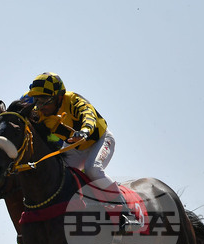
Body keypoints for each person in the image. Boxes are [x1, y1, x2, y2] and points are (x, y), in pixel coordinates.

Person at [23, 72, 139, 231]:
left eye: (44, 101)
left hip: (100, 140)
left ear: (59, 96)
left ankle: (126, 212)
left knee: (93, 169)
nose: (40, 106)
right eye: (37, 100)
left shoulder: (73, 100)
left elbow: (88, 115)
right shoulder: (42, 111)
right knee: (59, 174)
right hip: (74, 147)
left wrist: (85, 130)